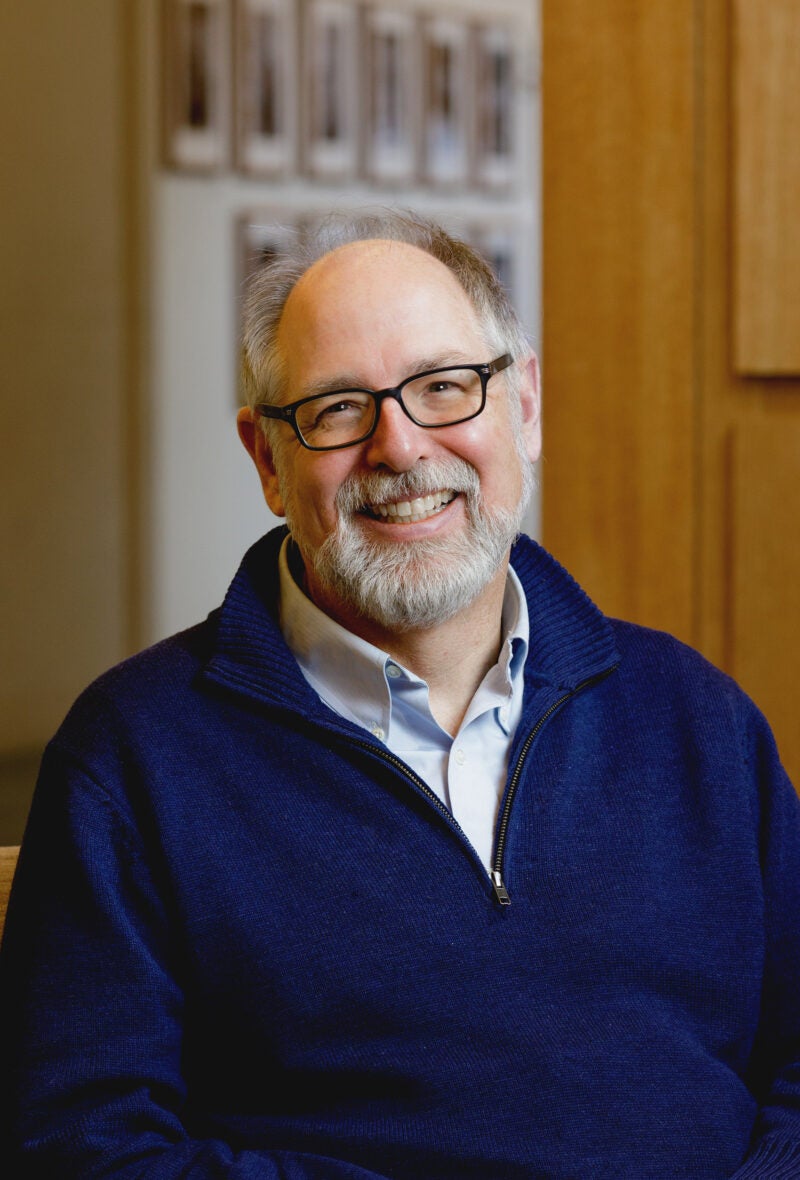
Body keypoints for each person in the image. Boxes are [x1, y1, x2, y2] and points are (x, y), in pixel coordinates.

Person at [1, 209, 799, 1180]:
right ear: (266, 458)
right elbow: (80, 1150)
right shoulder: (130, 758)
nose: (399, 445)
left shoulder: (695, 716)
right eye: (338, 407)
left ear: (526, 405)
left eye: (443, 387)